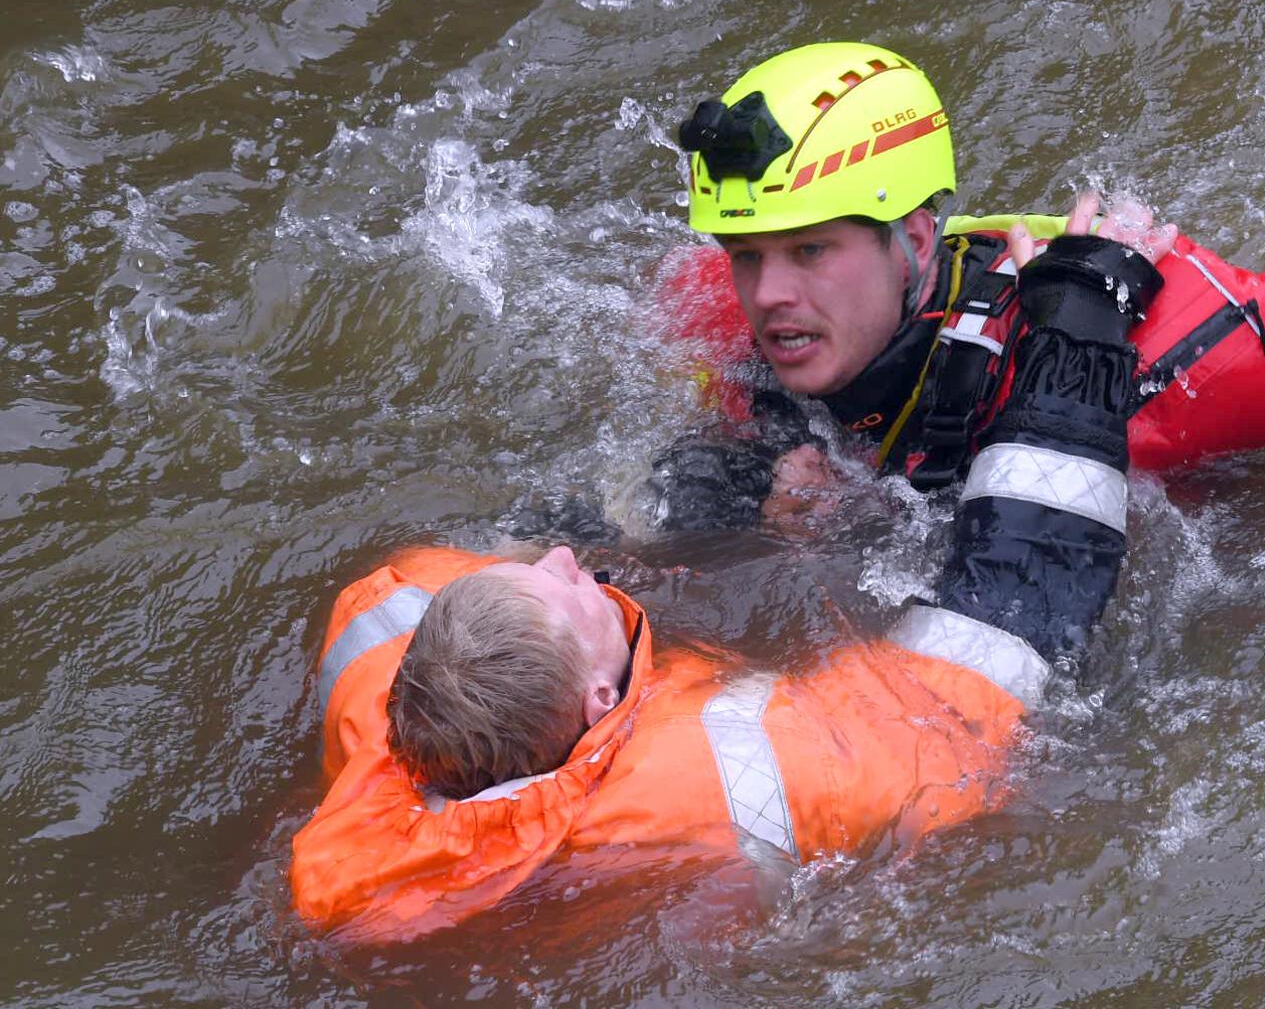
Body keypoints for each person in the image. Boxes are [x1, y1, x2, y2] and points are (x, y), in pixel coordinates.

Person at [289, 214, 1159, 940]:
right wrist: (1087, 317)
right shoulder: (746, 769)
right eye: (570, 591)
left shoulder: (390, 665)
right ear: (601, 703)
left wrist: (747, 510)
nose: (563, 563)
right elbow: (1009, 621)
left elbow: (476, 573)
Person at [648, 41, 1265, 529]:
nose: (768, 294)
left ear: (911, 238)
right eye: (748, 254)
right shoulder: (725, 311)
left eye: (811, 252)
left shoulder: (1154, 358)